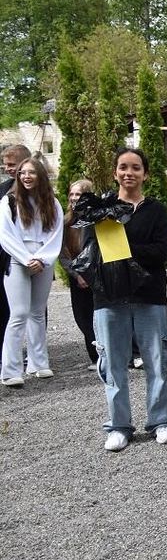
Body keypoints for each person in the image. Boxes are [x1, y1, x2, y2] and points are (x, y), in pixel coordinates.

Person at [93, 148, 167, 452]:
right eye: (123, 167)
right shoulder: (101, 209)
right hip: (108, 296)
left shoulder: (155, 210)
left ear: (146, 174)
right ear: (115, 172)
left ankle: (162, 420)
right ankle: (118, 426)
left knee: (157, 360)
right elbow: (92, 251)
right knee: (112, 363)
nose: (129, 173)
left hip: (150, 295)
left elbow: (162, 252)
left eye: (136, 168)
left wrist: (124, 246)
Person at [0, 157, 64, 387]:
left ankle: (39, 363)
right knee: (18, 314)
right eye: (22, 173)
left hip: (43, 261)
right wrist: (27, 259)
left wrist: (43, 259)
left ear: (41, 176)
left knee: (37, 313)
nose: (26, 177)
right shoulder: (8, 202)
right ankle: (10, 370)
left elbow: (56, 233)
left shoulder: (53, 203)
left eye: (31, 173)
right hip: (18, 261)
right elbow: (5, 236)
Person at [60, 179, 97, 370]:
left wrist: (88, 274)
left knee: (99, 316)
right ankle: (95, 357)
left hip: (96, 276)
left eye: (79, 194)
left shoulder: (96, 220)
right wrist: (76, 275)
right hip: (76, 277)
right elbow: (63, 253)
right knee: (82, 317)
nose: (74, 198)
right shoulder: (66, 223)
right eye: (72, 194)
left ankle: (106, 354)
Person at [0, 144, 32, 351]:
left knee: (34, 309)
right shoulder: (3, 190)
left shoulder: (40, 191)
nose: (7, 169)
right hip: (5, 255)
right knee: (5, 306)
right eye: (5, 165)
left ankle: (33, 352)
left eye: (11, 164)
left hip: (33, 255)